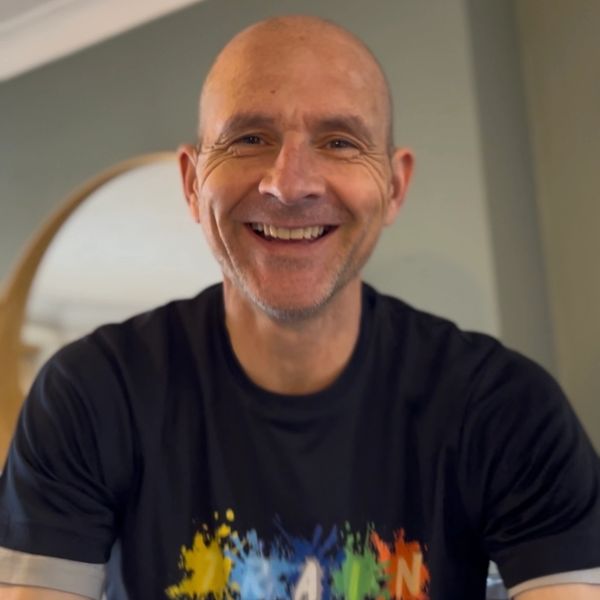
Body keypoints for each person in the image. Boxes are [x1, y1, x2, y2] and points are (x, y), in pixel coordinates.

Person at [0, 15, 599, 600]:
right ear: (192, 183)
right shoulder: (90, 395)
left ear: (394, 186)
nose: (289, 184)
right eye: (250, 138)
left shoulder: (506, 409)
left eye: (339, 141)